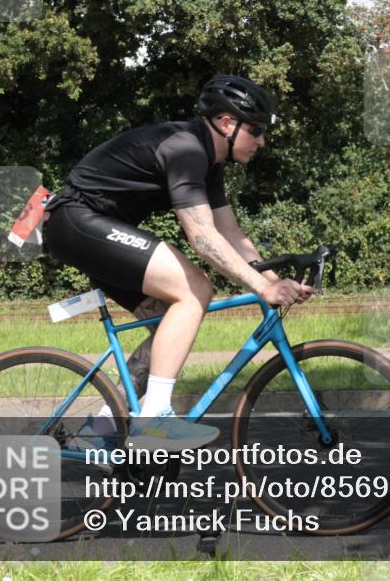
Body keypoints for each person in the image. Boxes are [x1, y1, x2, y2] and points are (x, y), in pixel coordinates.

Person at [44, 75, 315, 451]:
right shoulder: (187, 150)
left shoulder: (210, 163)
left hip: (91, 229)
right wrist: (262, 288)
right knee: (195, 291)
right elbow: (203, 239)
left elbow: (233, 238)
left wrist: (275, 279)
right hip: (76, 220)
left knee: (169, 330)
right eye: (255, 129)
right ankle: (153, 419)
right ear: (226, 123)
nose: (262, 140)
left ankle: (99, 434)